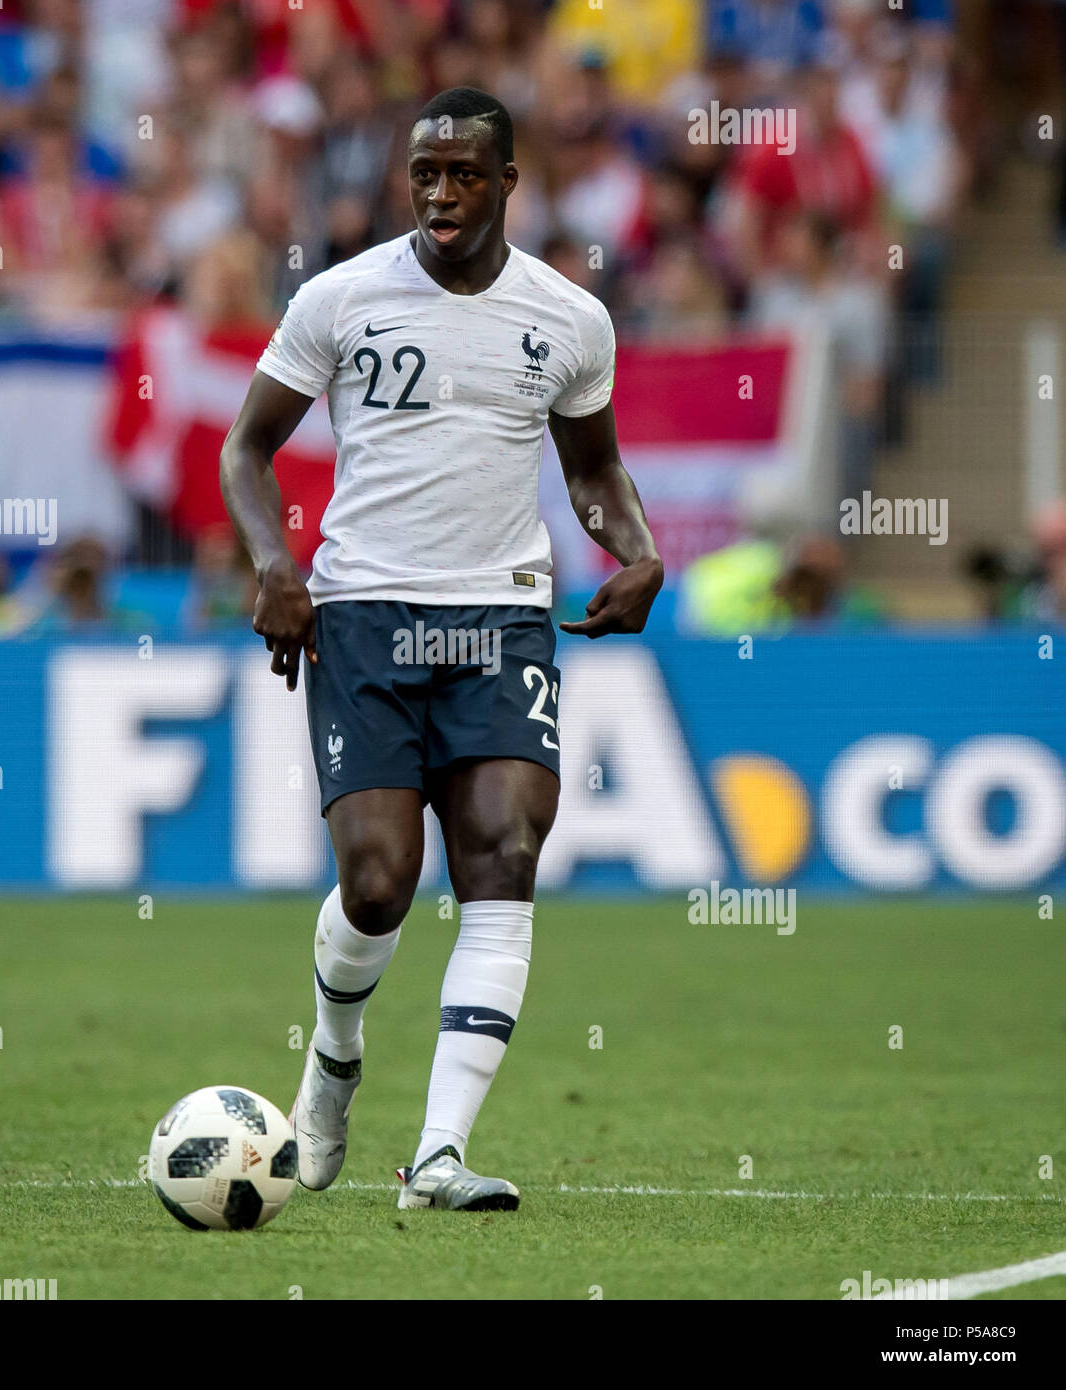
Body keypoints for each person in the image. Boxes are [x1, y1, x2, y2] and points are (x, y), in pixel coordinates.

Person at [220, 87, 663, 1212]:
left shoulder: (568, 319)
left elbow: (592, 471)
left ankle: (438, 1157)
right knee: (376, 887)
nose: (441, 193)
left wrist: (636, 548)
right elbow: (246, 449)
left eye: (465, 174)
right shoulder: (339, 298)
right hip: (363, 612)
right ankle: (330, 1062)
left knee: (502, 852)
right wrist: (274, 563)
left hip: (500, 617)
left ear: (507, 183)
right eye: (424, 174)